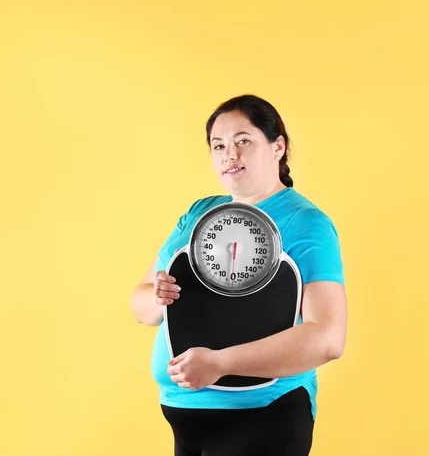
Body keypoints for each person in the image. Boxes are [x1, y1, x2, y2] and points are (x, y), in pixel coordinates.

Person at [130, 94, 348, 456]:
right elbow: (140, 304)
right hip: (183, 416)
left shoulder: (306, 224)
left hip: (262, 418)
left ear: (277, 146)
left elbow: (328, 338)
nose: (229, 155)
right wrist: (157, 297)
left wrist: (220, 364)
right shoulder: (199, 213)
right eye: (219, 145)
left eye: (243, 141)